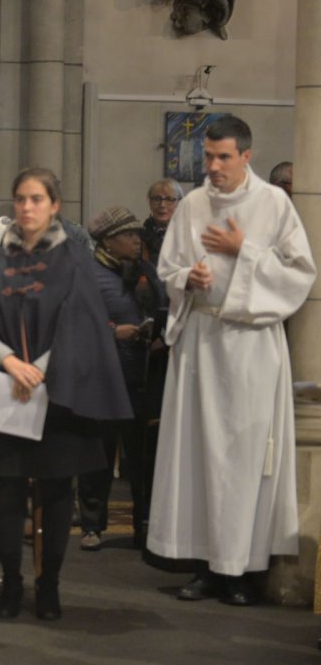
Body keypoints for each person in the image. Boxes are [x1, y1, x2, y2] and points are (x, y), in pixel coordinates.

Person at [148, 116, 316, 606]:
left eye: (224, 157)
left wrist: (245, 251)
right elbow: (168, 267)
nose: (214, 166)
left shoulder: (274, 203)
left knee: (243, 460)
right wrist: (188, 279)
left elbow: (300, 274)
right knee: (198, 452)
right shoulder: (193, 205)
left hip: (250, 344)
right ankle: (203, 566)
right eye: (209, 157)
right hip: (202, 339)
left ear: (247, 156)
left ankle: (239, 571)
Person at [0, 167, 131, 622]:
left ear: (54, 205)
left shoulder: (74, 258)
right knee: (10, 493)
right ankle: (12, 586)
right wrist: (9, 362)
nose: (27, 207)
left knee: (57, 495)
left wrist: (38, 368)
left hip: (60, 394)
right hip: (8, 389)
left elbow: (81, 324)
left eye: (37, 199)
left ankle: (50, 585)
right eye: (20, 199)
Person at [76, 207, 165, 552]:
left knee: (142, 457)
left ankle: (144, 526)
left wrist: (158, 334)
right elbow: (77, 320)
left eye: (136, 234)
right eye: (127, 235)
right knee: (99, 454)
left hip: (142, 374)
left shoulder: (145, 271)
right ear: (108, 241)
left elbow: (163, 307)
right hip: (103, 377)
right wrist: (113, 331)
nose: (135, 240)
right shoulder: (87, 273)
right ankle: (92, 525)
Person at [140, 178, 185, 266]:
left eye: (169, 199)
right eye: (156, 199)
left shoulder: (190, 232)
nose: (162, 205)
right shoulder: (141, 235)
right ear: (150, 202)